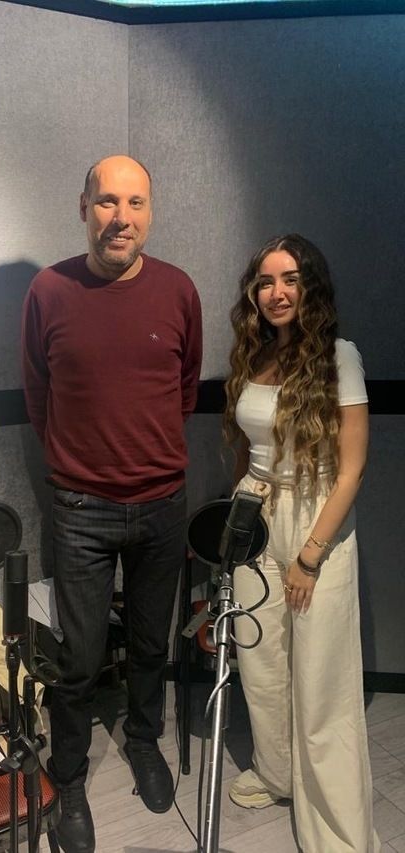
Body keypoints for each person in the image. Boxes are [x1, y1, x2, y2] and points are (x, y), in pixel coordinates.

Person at [21, 155, 202, 853]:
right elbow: (38, 394)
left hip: (162, 503)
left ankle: (144, 740)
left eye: (134, 203)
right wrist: (82, 464)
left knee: (153, 643)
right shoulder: (48, 290)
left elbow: (184, 390)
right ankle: (68, 777)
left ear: (149, 212)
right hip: (81, 509)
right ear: (83, 207)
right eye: (106, 202)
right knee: (78, 657)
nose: (120, 217)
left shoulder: (178, 290)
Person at [223, 234, 379, 852]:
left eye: (289, 279)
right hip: (254, 514)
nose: (276, 292)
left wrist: (310, 556)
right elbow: (250, 449)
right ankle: (278, 774)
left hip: (316, 516)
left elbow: (353, 469)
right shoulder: (255, 355)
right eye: (265, 282)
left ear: (310, 286)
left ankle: (337, 823)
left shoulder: (340, 358)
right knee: (260, 662)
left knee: (321, 678)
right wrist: (235, 514)